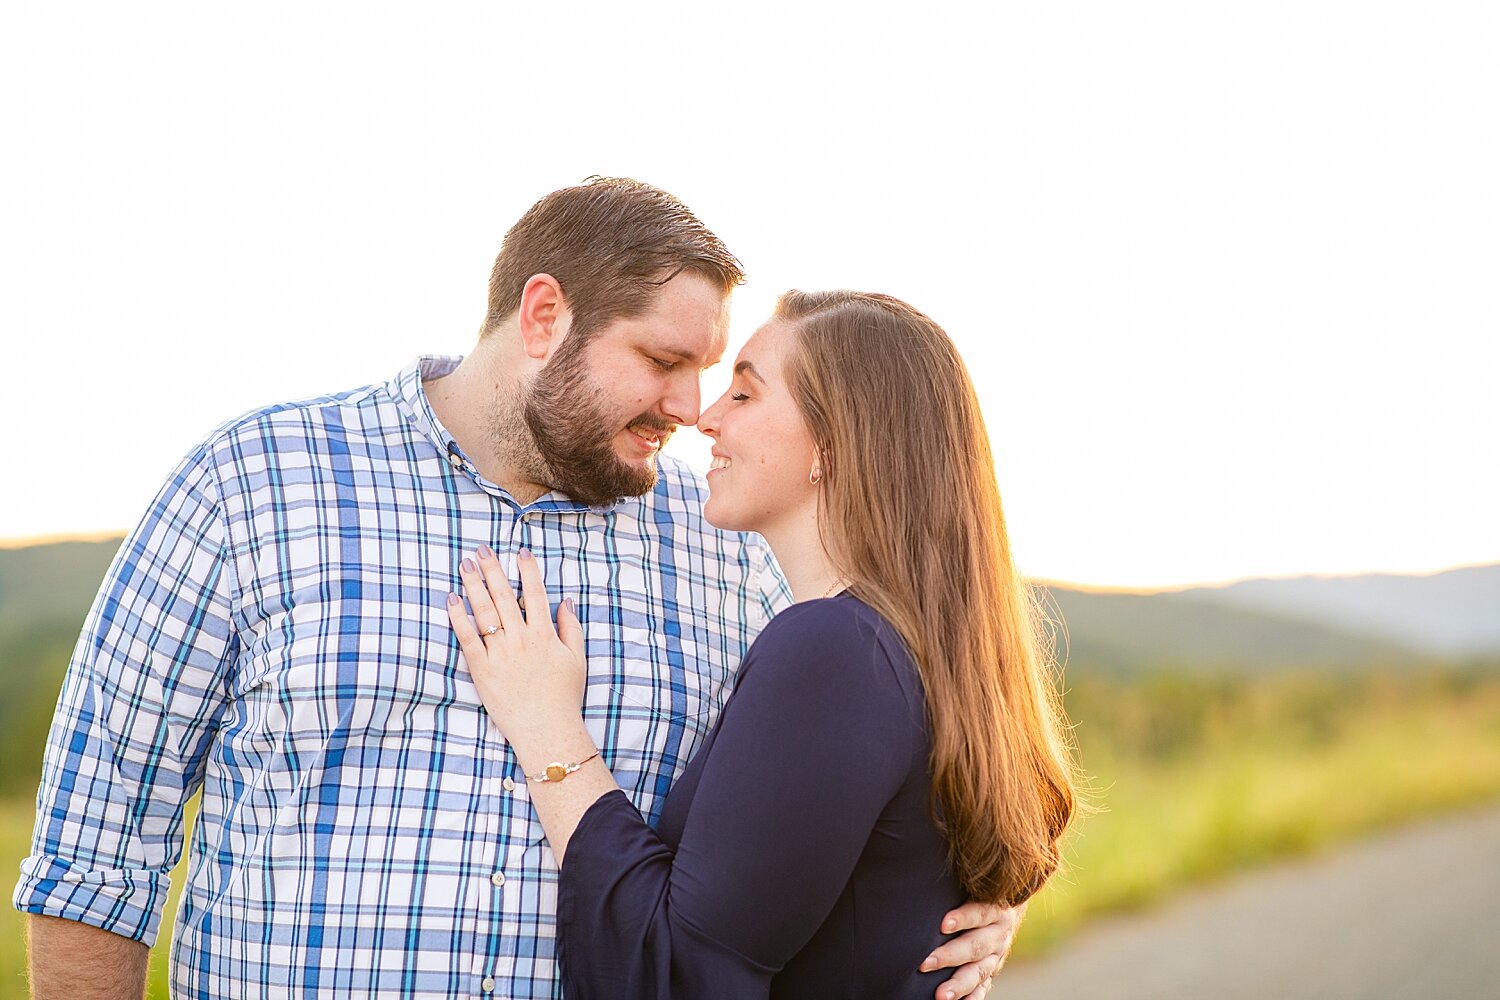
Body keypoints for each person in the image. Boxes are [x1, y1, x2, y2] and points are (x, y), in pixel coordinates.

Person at [17, 179, 1020, 999]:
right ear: (545, 316)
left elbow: (888, 755)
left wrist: (963, 908)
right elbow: (98, 849)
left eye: (715, 374)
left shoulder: (729, 549)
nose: (691, 408)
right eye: (665, 362)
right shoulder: (252, 483)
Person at [447, 289, 1080, 997]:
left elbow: (681, 973)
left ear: (835, 441)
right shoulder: (899, 644)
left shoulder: (834, 648)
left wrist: (547, 731)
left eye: (744, 395)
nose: (706, 419)